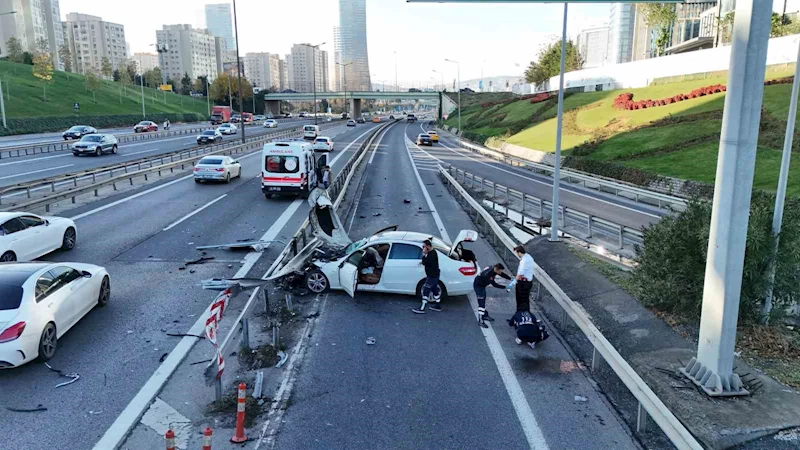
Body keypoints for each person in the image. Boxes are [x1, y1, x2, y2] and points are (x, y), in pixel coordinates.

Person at [474, 263, 512, 328]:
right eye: (500, 271)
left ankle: (484, 315)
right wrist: (505, 287)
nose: (500, 273)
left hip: (482, 285)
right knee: (481, 303)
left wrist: (510, 278)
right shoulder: (488, 274)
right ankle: (480, 321)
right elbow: (495, 285)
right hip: (479, 286)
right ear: (497, 269)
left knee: (483, 301)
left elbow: (501, 274)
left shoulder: (493, 268)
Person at [412, 239, 441, 314]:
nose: (423, 248)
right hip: (434, 275)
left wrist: (424, 255)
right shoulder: (432, 253)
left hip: (432, 276)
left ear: (428, 246)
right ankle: (437, 305)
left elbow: (425, 262)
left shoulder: (431, 254)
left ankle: (422, 308)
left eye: (424, 246)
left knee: (426, 290)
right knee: (434, 290)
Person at [507, 245, 534, 314]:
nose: (517, 254)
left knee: (520, 300)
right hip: (527, 282)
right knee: (525, 300)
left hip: (523, 283)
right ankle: (524, 316)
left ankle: (520, 316)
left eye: (516, 253)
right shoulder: (528, 257)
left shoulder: (524, 261)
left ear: (519, 252)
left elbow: (520, 274)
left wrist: (512, 284)